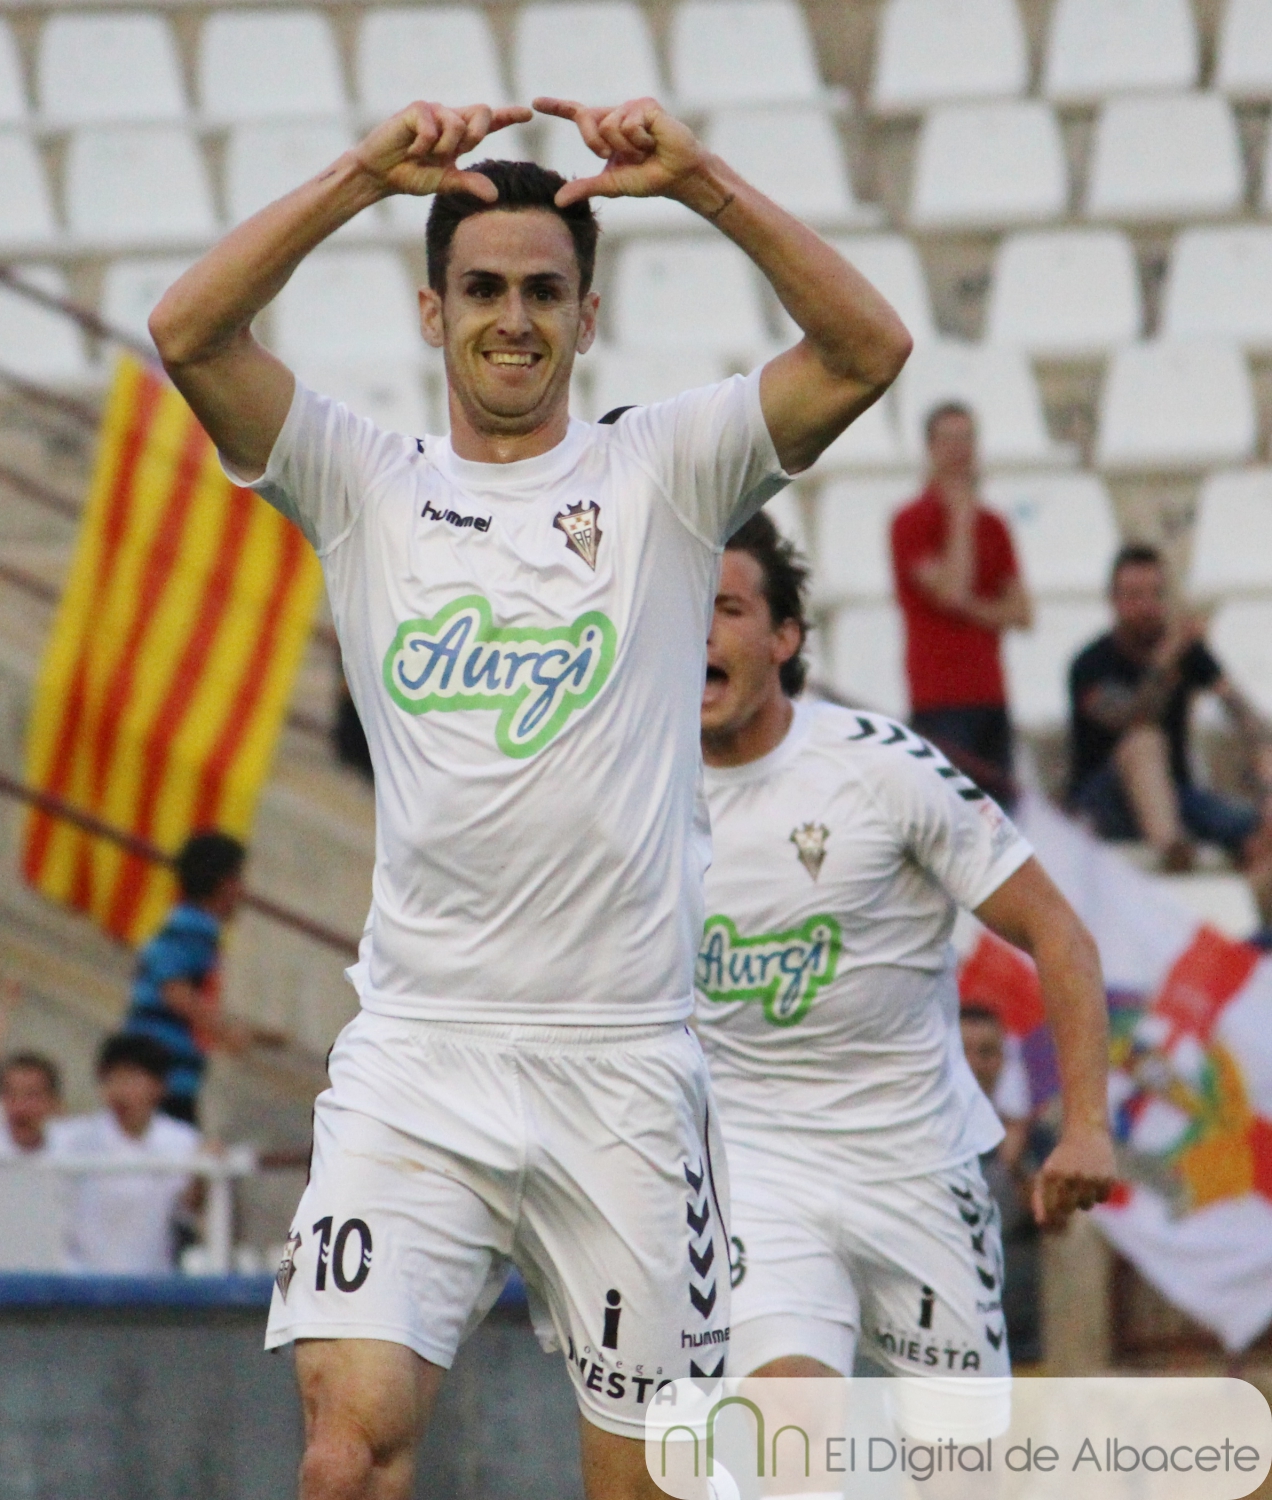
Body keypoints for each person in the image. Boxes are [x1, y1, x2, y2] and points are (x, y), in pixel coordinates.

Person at [148, 91, 911, 1499]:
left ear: (588, 316)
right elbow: (188, 333)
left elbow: (869, 350)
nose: (514, 318)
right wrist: (357, 178)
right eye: (484, 289)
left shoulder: (666, 471)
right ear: (431, 312)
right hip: (419, 1055)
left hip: (624, 1068)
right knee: (343, 1457)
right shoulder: (362, 481)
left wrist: (704, 184)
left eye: (544, 292)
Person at [694, 512, 1114, 1409]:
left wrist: (1086, 1126)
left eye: (726, 609)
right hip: (754, 1173)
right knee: (786, 1433)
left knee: (960, 1463)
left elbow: (1059, 933)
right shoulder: (635, 788)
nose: (699, 632)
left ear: (784, 637)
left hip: (917, 1166)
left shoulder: (881, 769)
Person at [1069, 544, 1272, 896]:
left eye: (1156, 594)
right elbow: (1130, 719)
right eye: (1135, 596)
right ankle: (1171, 846)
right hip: (1106, 801)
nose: (1148, 606)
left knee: (1252, 821)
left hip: (1177, 795)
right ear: (1114, 601)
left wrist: (1263, 757)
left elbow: (1241, 713)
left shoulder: (1186, 654)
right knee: (1144, 743)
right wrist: (1166, 660)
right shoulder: (1090, 665)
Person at [891, 403, 1032, 807]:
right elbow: (952, 590)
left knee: (999, 817)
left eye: (966, 439)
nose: (959, 451)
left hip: (990, 692)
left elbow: (1022, 612)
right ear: (930, 448)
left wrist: (966, 605)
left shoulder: (994, 525)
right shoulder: (910, 522)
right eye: (949, 440)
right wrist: (960, 517)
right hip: (939, 696)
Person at [123, 830, 261, 1125]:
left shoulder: (182, 927)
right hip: (162, 1074)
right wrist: (225, 1032)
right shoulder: (193, 930)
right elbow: (175, 991)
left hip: (160, 1073)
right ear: (223, 884)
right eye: (238, 879)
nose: (242, 891)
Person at [54, 1033, 202, 1274]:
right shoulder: (74, 1138)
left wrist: (204, 1171)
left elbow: (190, 1207)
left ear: (159, 1086)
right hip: (83, 1281)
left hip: (151, 1282)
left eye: (131, 1079)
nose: (120, 1091)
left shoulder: (183, 1141)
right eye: (112, 1079)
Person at [958, 1003, 1048, 1365]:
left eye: (986, 1052)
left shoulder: (1032, 1139)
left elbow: (1059, 1222)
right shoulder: (916, 1143)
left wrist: (1017, 1172)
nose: (974, 1064)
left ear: (1002, 1061)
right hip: (945, 1342)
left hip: (1022, 1342)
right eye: (963, 1051)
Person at [0, 1052, 63, 1157]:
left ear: (53, 1102)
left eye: (32, 1095)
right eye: (11, 1094)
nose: (20, 1107)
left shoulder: (71, 1153)